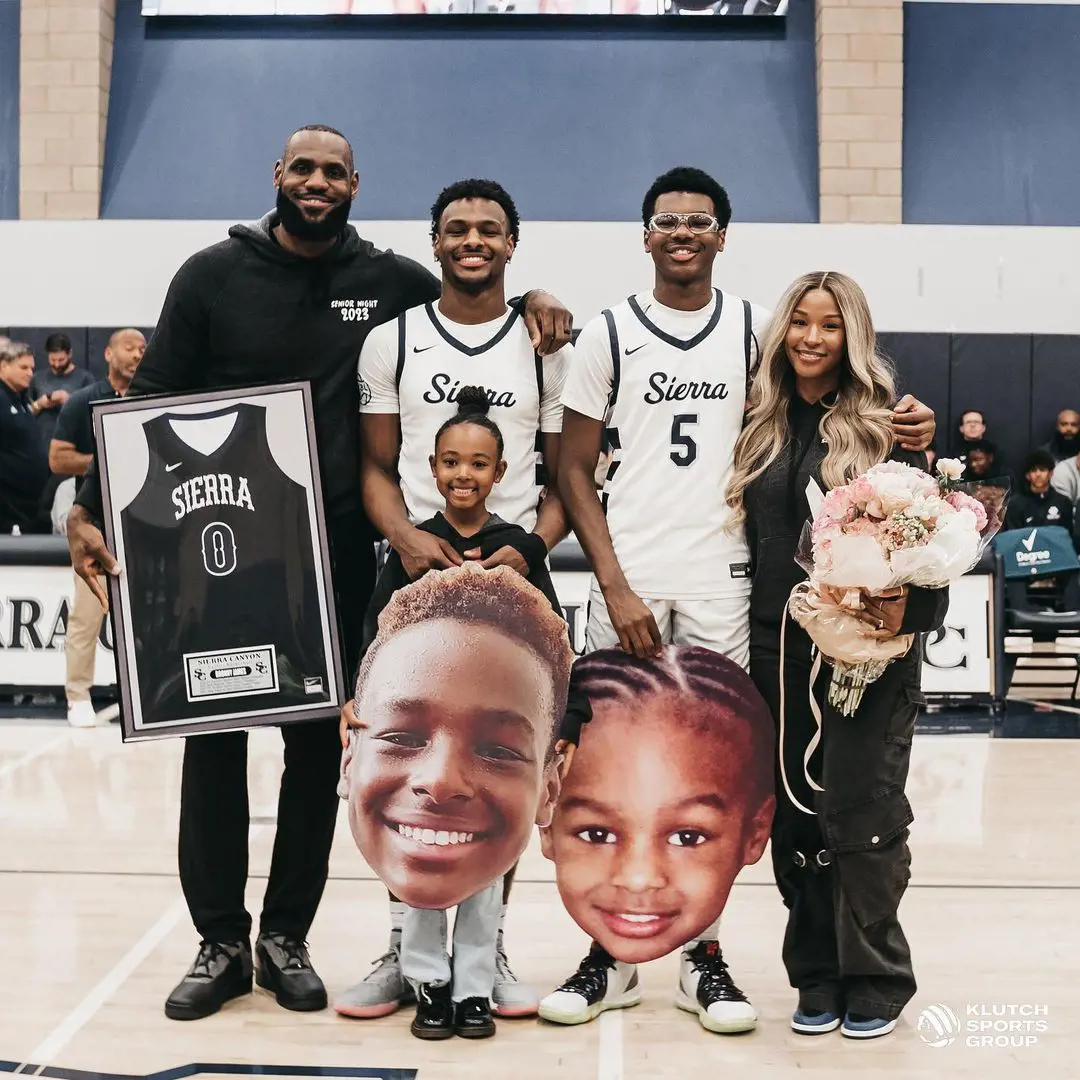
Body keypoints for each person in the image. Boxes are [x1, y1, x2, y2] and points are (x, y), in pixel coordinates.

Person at [64, 125, 572, 1023]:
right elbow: (146, 403)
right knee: (213, 747)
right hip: (212, 556)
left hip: (333, 558)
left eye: (334, 171)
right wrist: (91, 509)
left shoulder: (387, 283)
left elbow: (471, 300)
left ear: (355, 184)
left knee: (314, 752)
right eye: (303, 168)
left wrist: (535, 299)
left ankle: (284, 935)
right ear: (277, 176)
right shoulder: (210, 275)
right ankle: (219, 939)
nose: (317, 182)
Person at [548, 166, 936, 1033]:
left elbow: (840, 394)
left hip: (730, 577)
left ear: (723, 235)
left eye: (699, 220)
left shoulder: (757, 332)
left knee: (714, 772)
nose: (682, 231)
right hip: (633, 575)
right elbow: (571, 467)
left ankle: (704, 956)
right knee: (615, 769)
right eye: (666, 219)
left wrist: (914, 426)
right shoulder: (608, 332)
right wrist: (610, 579)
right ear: (644, 233)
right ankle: (607, 956)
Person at [342, 178, 574, 1021]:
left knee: (494, 762)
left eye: (490, 230)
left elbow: (563, 474)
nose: (473, 240)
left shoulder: (546, 341)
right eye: (457, 229)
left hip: (512, 574)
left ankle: (488, 945)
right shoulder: (392, 341)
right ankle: (406, 950)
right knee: (409, 763)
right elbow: (374, 467)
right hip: (415, 569)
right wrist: (405, 538)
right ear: (433, 242)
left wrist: (533, 547)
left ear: (514, 243)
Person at [726, 270, 949, 1040]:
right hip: (777, 647)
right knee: (796, 817)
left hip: (870, 655)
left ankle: (877, 975)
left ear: (852, 337)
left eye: (828, 326)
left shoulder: (888, 427)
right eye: (800, 323)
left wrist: (908, 611)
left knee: (862, 812)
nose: (812, 339)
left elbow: (930, 547)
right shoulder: (760, 421)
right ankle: (815, 972)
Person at [338, 561, 573, 1040]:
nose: (441, 782)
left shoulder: (522, 548)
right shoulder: (410, 547)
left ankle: (473, 988)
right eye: (403, 736)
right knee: (421, 878)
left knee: (483, 890)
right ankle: (428, 983)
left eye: (497, 749)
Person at [539, 645, 774, 1030]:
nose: (638, 878)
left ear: (756, 833)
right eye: (597, 833)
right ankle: (608, 963)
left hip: (719, 593)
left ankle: (704, 956)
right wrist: (615, 586)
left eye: (687, 836)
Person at [49, 329, 146, 729]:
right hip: (96, 525)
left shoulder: (149, 397)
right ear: (107, 353)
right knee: (88, 615)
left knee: (148, 617)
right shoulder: (82, 400)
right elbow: (57, 460)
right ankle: (77, 695)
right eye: (129, 347)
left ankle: (143, 695)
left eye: (143, 348)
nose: (138, 354)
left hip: (144, 522)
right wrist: (109, 457)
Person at [0, 342, 50, 535]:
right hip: (8, 506)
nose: (30, 373)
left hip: (28, 502)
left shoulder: (19, 398)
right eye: (23, 367)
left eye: (32, 368)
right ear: (4, 366)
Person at [29, 332, 95, 445]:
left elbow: (92, 415)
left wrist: (70, 401)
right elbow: (25, 413)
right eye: (52, 360)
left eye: (61, 360)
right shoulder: (37, 378)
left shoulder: (85, 378)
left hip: (72, 442)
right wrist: (40, 403)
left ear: (70, 354)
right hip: (42, 441)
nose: (57, 364)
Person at [1005, 449, 1074, 539]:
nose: (1038, 474)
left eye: (1042, 470)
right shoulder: (1015, 504)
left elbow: (1067, 537)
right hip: (1024, 551)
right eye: (1033, 470)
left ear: (1051, 473)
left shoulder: (1063, 502)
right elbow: (1013, 537)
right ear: (1028, 475)